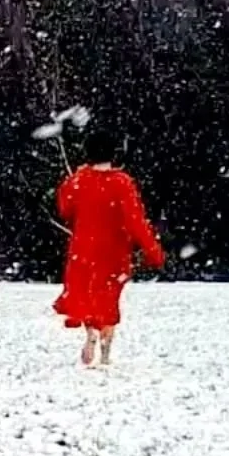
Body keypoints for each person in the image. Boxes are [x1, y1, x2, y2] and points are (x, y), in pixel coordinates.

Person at [53, 129, 164, 366]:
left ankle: (90, 331)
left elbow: (64, 209)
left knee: (88, 294)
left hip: (83, 249)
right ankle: (105, 348)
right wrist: (151, 249)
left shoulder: (78, 181)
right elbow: (136, 220)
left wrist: (75, 180)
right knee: (108, 297)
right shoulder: (122, 183)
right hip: (113, 250)